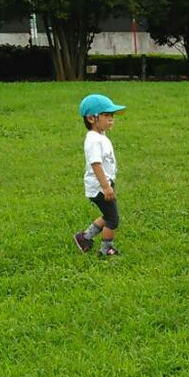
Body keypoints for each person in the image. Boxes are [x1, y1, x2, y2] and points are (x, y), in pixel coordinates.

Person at [73, 94, 127, 257]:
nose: (111, 119)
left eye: (112, 115)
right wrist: (105, 186)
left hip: (104, 184)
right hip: (100, 187)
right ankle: (106, 250)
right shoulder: (94, 140)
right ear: (91, 118)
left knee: (108, 215)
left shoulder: (100, 136)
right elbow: (95, 164)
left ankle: (84, 237)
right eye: (106, 115)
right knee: (113, 219)